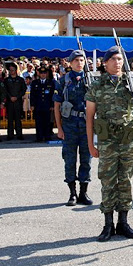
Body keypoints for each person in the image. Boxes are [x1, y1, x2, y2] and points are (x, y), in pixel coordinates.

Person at [85, 46, 133, 242]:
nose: (117, 62)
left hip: (128, 139)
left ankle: (123, 222)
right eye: (113, 59)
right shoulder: (97, 86)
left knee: (126, 181)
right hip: (107, 141)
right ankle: (107, 224)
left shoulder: (132, 84)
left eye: (120, 59)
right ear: (105, 63)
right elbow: (89, 117)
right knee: (107, 181)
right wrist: (90, 145)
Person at [53, 50, 93, 207]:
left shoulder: (90, 80)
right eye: (75, 60)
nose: (79, 63)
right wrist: (59, 128)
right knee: (69, 159)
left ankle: (84, 192)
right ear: (70, 63)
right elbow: (56, 105)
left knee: (86, 159)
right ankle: (72, 193)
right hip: (69, 125)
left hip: (86, 125)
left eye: (81, 60)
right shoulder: (63, 81)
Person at [30, 66, 55, 142]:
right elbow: (32, 95)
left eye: (44, 73)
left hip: (47, 105)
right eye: (41, 73)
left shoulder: (50, 82)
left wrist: (52, 105)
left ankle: (47, 136)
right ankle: (39, 137)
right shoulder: (35, 83)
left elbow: (52, 95)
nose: (43, 75)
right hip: (38, 105)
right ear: (39, 74)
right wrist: (32, 105)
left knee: (47, 122)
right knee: (38, 122)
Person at [3, 62, 27, 141]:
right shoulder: (6, 80)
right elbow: (5, 90)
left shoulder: (20, 80)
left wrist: (17, 97)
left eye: (12, 70)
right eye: (10, 70)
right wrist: (10, 97)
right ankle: (10, 135)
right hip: (9, 102)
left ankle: (19, 134)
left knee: (18, 119)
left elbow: (23, 90)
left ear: (16, 70)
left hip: (18, 101)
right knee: (10, 119)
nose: (11, 72)